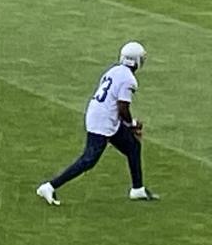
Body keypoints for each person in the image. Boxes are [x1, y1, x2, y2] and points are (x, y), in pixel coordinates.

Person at [37, 42, 159, 205]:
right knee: (89, 159)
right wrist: (132, 124)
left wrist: (130, 125)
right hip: (103, 120)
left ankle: (138, 189)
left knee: (133, 146)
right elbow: (122, 108)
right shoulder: (129, 79)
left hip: (101, 114)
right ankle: (50, 186)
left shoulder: (114, 70)